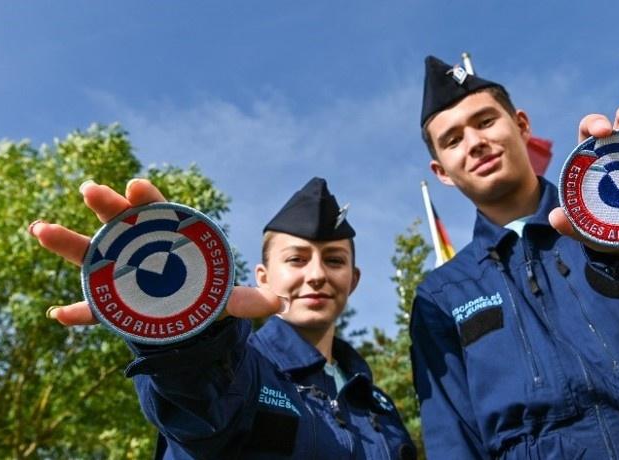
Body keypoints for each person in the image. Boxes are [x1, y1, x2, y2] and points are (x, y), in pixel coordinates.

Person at [409, 55, 619, 459]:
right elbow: (453, 442)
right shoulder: (441, 295)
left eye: (485, 121)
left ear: (522, 125)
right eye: (453, 140)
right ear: (441, 171)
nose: (475, 143)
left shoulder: (614, 217)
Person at [30, 177, 417, 459]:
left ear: (353, 279)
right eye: (296, 259)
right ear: (262, 277)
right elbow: (198, 401)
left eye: (334, 260)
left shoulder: (377, 403)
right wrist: (186, 331)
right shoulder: (238, 366)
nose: (316, 275)